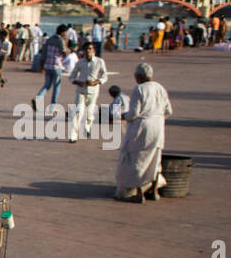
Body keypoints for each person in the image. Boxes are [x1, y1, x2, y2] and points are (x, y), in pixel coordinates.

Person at [115, 63, 173, 202]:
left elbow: (134, 113)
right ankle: (154, 191)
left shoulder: (139, 89)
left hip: (142, 127)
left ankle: (139, 193)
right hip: (158, 126)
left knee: (137, 160)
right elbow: (168, 111)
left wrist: (124, 116)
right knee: (154, 159)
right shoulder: (160, 88)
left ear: (139, 76)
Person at [69, 43, 108, 143]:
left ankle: (87, 127)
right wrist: (79, 82)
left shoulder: (99, 62)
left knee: (89, 113)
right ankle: (73, 135)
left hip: (93, 91)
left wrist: (95, 82)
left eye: (90, 49)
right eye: (86, 49)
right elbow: (72, 77)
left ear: (93, 50)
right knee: (78, 112)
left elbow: (104, 76)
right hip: (81, 90)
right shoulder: (80, 62)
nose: (88, 51)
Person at [33, 25, 69, 110]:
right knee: (56, 86)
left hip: (47, 65)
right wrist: (69, 49)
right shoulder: (61, 40)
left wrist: (42, 66)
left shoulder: (49, 40)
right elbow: (64, 53)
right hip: (56, 66)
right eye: (66, 32)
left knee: (47, 86)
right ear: (63, 32)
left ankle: (38, 98)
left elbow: (43, 54)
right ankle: (53, 106)